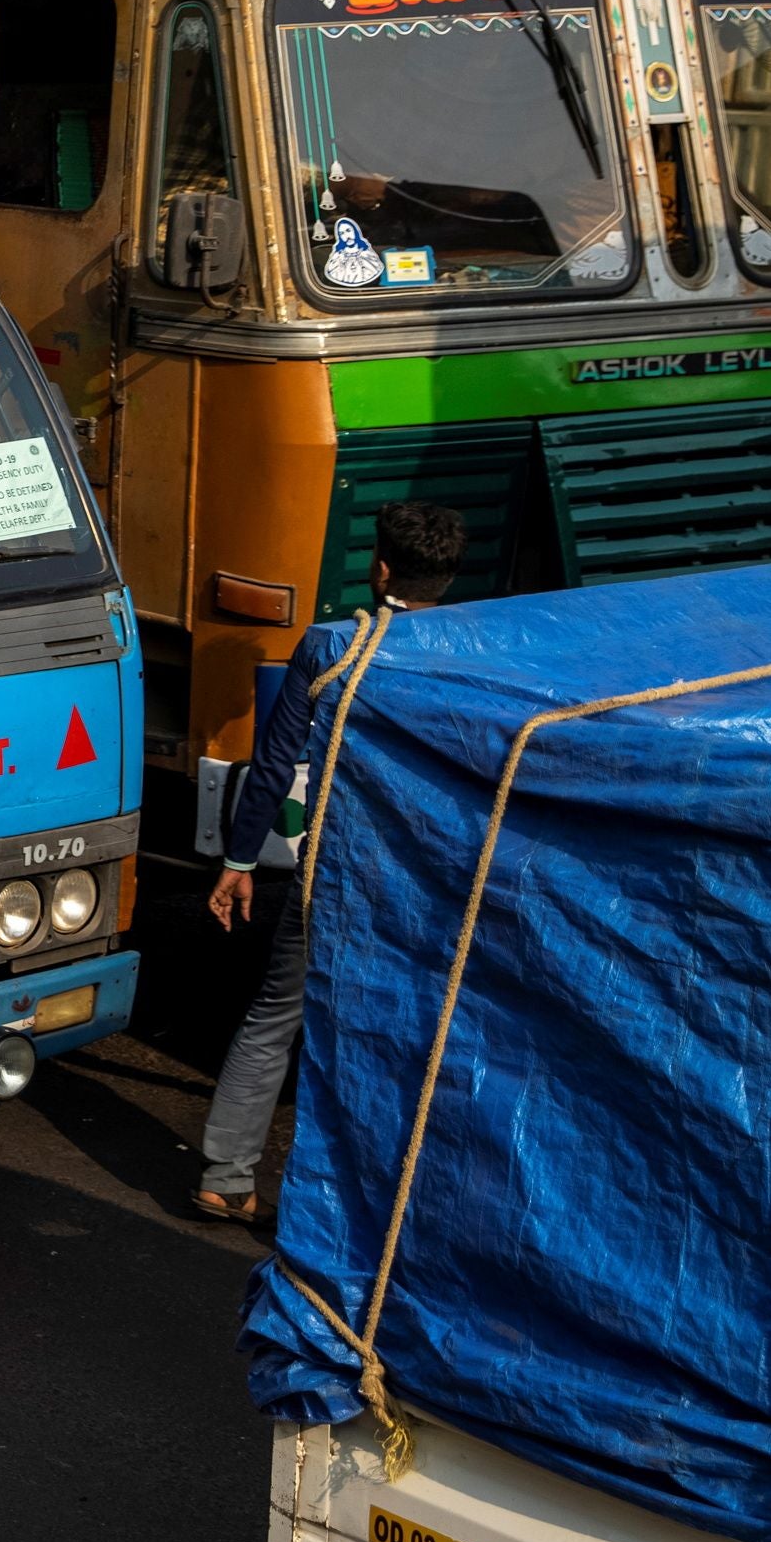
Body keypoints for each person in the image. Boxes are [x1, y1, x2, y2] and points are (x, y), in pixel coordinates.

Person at [191, 498, 468, 1226]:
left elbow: (277, 762)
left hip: (337, 868)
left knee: (276, 1015)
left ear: (380, 568)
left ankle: (225, 1175)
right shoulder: (469, 647)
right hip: (430, 878)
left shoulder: (327, 647)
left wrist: (239, 861)